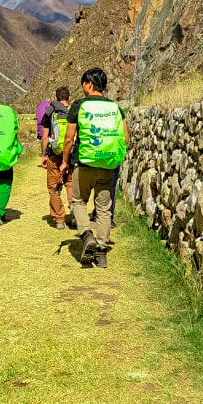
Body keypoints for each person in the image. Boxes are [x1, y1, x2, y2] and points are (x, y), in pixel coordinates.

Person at [60, 68, 128, 268]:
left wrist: (65, 161)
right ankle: (101, 251)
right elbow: (125, 137)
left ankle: (87, 235)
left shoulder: (79, 106)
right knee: (104, 209)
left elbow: (68, 139)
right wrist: (115, 159)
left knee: (79, 202)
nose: (82, 87)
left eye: (83, 84)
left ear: (89, 84)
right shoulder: (115, 107)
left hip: (84, 164)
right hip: (107, 164)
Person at [36, 86, 72, 228]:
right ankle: (74, 210)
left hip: (54, 154)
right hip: (70, 155)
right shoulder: (73, 112)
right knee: (70, 183)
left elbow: (45, 137)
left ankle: (59, 219)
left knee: (54, 186)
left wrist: (44, 154)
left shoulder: (50, 113)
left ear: (56, 98)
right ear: (69, 98)